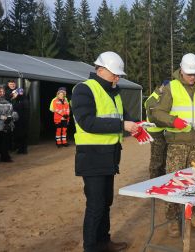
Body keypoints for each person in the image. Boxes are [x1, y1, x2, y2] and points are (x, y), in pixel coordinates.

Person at [71, 51, 138, 252]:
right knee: (95, 205)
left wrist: (136, 126)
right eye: (114, 74)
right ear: (100, 70)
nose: (117, 78)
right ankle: (91, 247)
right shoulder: (83, 90)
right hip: (92, 157)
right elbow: (87, 122)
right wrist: (122, 125)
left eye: (119, 75)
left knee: (105, 202)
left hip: (110, 156)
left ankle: (103, 242)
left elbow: (124, 116)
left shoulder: (114, 92)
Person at [152, 53, 195, 237]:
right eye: (189, 73)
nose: (192, 77)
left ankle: (192, 215)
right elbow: (157, 113)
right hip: (177, 144)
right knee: (175, 183)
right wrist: (173, 121)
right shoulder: (171, 88)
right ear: (181, 70)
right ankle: (172, 219)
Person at [144, 79, 169, 179]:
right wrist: (171, 123)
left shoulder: (162, 98)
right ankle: (153, 182)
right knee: (156, 161)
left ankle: (161, 181)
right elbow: (154, 119)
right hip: (155, 134)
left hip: (162, 133)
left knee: (163, 160)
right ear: (163, 87)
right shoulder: (152, 99)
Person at [0, 80, 18, 163]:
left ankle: (5, 157)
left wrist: (11, 117)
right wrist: (1, 117)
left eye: (1, 90)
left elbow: (13, 112)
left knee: (5, 143)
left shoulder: (6, 101)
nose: (0, 92)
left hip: (6, 126)